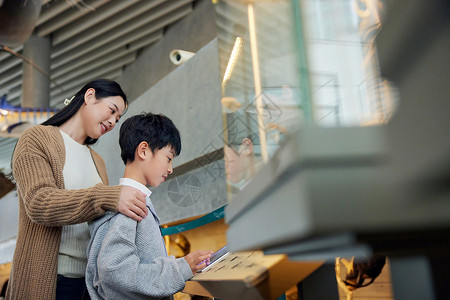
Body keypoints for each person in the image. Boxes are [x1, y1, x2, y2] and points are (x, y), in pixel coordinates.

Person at [6, 79, 149, 300]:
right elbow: (39, 203)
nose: (112, 122)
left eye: (117, 119)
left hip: (89, 283)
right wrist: (107, 196)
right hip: (50, 280)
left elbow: (97, 217)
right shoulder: (37, 138)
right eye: (111, 111)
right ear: (89, 96)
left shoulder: (97, 160)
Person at [85, 112, 212, 299]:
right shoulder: (129, 204)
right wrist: (182, 268)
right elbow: (115, 272)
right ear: (143, 150)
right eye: (168, 158)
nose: (170, 168)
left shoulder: (131, 200)